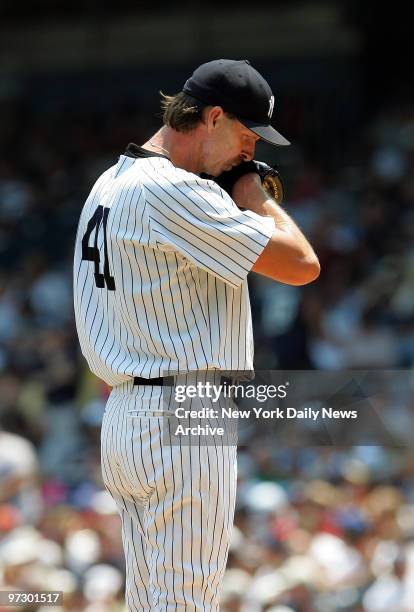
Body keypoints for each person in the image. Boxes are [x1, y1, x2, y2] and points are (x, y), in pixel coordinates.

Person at [73, 59, 319, 610]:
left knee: (154, 600)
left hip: (129, 414)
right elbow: (303, 264)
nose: (251, 153)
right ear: (211, 117)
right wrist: (253, 194)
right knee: (186, 603)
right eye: (247, 135)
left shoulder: (109, 181)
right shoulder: (173, 189)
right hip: (184, 410)